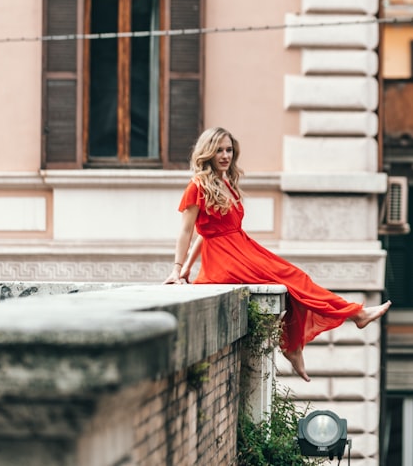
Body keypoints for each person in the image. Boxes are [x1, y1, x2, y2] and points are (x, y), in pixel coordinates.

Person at [165, 126, 391, 382]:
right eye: (219, 150)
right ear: (208, 152)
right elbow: (187, 231)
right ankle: (354, 314)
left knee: (295, 279)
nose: (225, 155)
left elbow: (204, 235)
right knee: (294, 279)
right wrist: (177, 268)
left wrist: (187, 271)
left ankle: (294, 346)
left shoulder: (226, 182)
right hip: (226, 259)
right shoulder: (197, 186)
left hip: (241, 248)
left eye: (229, 149)